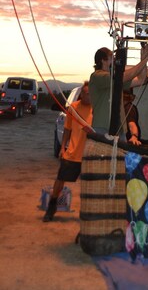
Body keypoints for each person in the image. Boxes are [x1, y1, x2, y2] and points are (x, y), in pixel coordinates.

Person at [43, 81, 92, 222]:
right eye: (85, 93)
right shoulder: (73, 108)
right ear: (81, 94)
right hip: (73, 153)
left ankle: (88, 214)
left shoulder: (97, 109)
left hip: (90, 156)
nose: (87, 96)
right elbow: (67, 130)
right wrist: (62, 147)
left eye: (90, 93)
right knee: (60, 181)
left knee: (90, 186)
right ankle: (51, 207)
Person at [88, 43, 148, 135]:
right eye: (111, 57)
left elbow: (141, 80)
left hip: (119, 129)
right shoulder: (97, 76)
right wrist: (146, 59)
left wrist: (143, 59)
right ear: (103, 60)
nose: (114, 59)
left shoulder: (115, 78)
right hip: (103, 127)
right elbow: (124, 76)